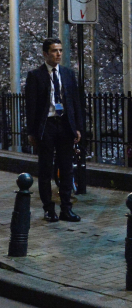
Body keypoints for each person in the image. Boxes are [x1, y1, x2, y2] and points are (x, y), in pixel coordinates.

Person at [25, 38, 83, 222]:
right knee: (45, 169)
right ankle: (49, 209)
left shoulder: (68, 74)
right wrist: (31, 131)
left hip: (64, 124)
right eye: (54, 50)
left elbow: (75, 102)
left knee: (66, 168)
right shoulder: (36, 75)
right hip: (47, 125)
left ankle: (66, 208)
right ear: (45, 54)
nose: (58, 54)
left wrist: (77, 127)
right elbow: (31, 105)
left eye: (60, 50)